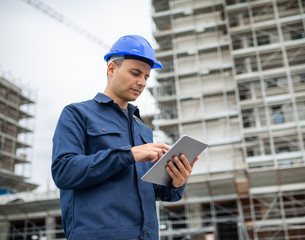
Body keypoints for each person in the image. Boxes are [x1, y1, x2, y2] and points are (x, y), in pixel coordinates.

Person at [52, 35, 199, 240]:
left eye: (146, 77)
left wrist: (176, 180)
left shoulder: (142, 129)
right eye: (135, 73)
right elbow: (64, 171)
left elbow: (151, 190)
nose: (142, 82)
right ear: (112, 69)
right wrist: (128, 154)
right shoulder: (77, 114)